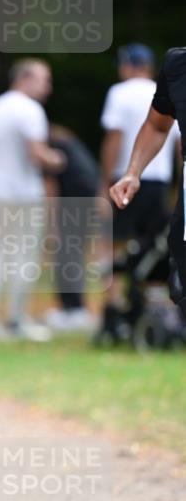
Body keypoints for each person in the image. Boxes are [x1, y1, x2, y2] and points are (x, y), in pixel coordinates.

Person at [0, 60, 63, 341]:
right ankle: (15, 318)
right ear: (24, 78)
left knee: (1, 251)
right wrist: (58, 159)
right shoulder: (30, 110)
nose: (48, 87)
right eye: (43, 80)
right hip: (25, 193)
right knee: (25, 255)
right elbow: (37, 153)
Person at [98, 44, 181, 338]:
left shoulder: (119, 93)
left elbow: (114, 138)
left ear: (127, 65)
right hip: (160, 180)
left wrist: (104, 180)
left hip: (128, 175)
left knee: (117, 245)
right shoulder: (166, 84)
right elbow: (174, 141)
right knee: (154, 246)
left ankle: (112, 312)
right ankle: (155, 308)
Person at [41, 124, 99, 333]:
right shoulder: (64, 139)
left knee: (66, 252)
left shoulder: (50, 145)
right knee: (71, 251)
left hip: (74, 200)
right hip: (84, 197)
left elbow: (51, 187)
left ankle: (73, 309)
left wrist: (52, 225)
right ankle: (72, 307)